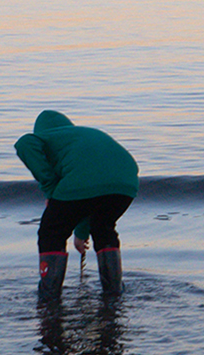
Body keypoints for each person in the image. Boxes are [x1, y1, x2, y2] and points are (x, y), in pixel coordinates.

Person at [15, 110, 140, 306]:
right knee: (103, 227)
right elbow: (86, 199)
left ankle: (49, 297)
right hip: (126, 182)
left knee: (51, 233)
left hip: (84, 181)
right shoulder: (78, 137)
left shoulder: (46, 138)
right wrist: (81, 234)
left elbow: (24, 143)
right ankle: (114, 292)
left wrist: (50, 189)